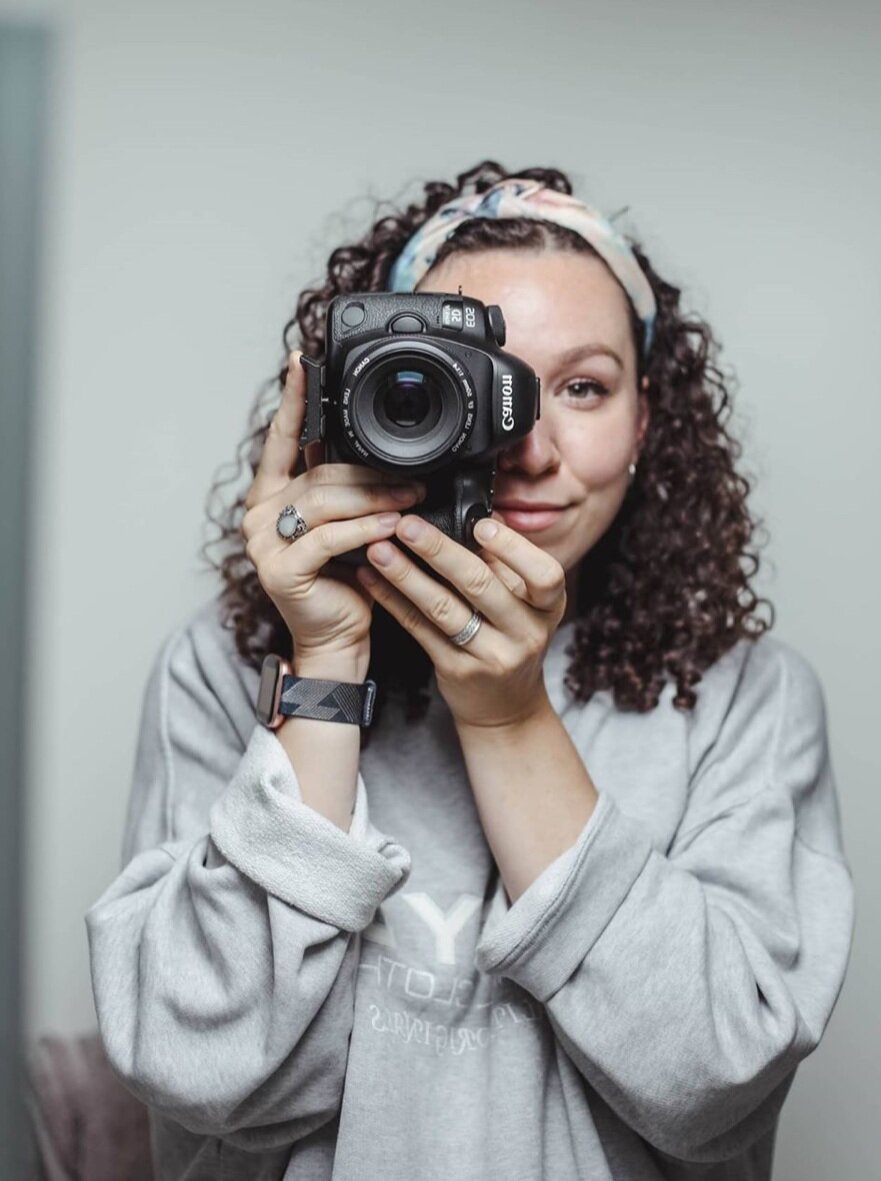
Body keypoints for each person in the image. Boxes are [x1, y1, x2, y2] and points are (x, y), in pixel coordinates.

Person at [85, 160, 855, 1181]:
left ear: (646, 425)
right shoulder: (229, 668)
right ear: (356, 400)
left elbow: (711, 1082)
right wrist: (322, 663)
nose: (526, 442)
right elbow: (200, 1067)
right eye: (463, 379)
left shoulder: (743, 698)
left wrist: (506, 717)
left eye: (581, 386)